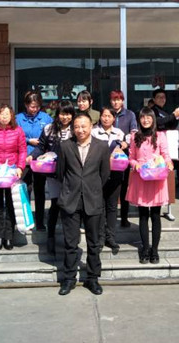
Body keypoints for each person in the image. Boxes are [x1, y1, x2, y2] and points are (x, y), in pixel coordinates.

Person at [56, 113, 110, 296]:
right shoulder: (65, 146)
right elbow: (60, 172)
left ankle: (92, 278)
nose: (80, 130)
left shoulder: (102, 146)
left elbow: (104, 174)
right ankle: (69, 279)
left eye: (83, 126)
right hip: (70, 199)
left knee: (94, 243)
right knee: (70, 243)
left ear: (91, 126)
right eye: (77, 126)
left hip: (93, 199)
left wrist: (91, 188)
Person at [126, 107, 174, 265]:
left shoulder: (160, 136)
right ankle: (145, 249)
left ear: (153, 119)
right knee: (143, 215)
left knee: (155, 215)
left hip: (156, 179)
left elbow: (166, 155)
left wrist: (169, 163)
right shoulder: (135, 136)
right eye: (142, 117)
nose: (145, 120)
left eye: (148, 117)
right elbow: (131, 157)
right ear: (139, 120)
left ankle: (155, 250)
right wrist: (135, 165)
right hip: (141, 177)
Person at [28, 100, 75, 257]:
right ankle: (50, 238)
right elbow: (41, 146)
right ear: (57, 114)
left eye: (68, 114)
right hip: (53, 174)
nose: (65, 117)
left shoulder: (77, 128)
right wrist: (32, 156)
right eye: (62, 113)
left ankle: (70, 241)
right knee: (55, 205)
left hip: (71, 174)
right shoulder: (49, 128)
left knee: (69, 206)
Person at [0, 104, 27, 251]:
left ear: (11, 116)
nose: (4, 117)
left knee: (11, 203)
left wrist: (20, 167)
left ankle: (9, 236)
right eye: (2, 114)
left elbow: (22, 150)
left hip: (12, 171)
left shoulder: (18, 130)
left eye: (7, 114)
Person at [92, 106, 126, 255]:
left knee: (112, 206)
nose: (106, 118)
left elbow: (123, 150)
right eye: (104, 115)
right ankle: (100, 238)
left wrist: (123, 146)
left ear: (114, 118)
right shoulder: (94, 132)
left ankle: (110, 237)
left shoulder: (119, 133)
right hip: (98, 174)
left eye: (109, 116)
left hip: (115, 174)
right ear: (100, 117)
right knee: (99, 207)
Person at [16, 90, 53, 229]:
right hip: (24, 158)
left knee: (39, 190)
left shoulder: (46, 118)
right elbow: (14, 135)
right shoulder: (18, 119)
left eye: (37, 106)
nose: (35, 109)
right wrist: (28, 140)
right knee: (25, 189)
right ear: (26, 105)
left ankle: (40, 221)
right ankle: (26, 220)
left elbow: (52, 134)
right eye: (32, 106)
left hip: (40, 160)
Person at [151, 88, 179, 221]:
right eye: (159, 97)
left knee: (167, 175)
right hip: (155, 148)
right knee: (155, 174)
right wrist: (173, 116)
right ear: (154, 99)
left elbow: (171, 125)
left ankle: (168, 206)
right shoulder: (152, 111)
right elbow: (158, 122)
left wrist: (176, 117)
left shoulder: (165, 111)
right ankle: (153, 205)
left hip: (167, 146)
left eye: (163, 97)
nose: (162, 99)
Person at [109, 90, 137, 228]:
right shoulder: (108, 114)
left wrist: (126, 143)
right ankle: (110, 218)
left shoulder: (130, 114)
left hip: (124, 156)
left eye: (118, 99)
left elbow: (133, 132)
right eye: (113, 99)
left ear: (122, 101)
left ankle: (124, 217)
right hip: (109, 156)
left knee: (124, 187)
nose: (116, 102)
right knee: (110, 187)